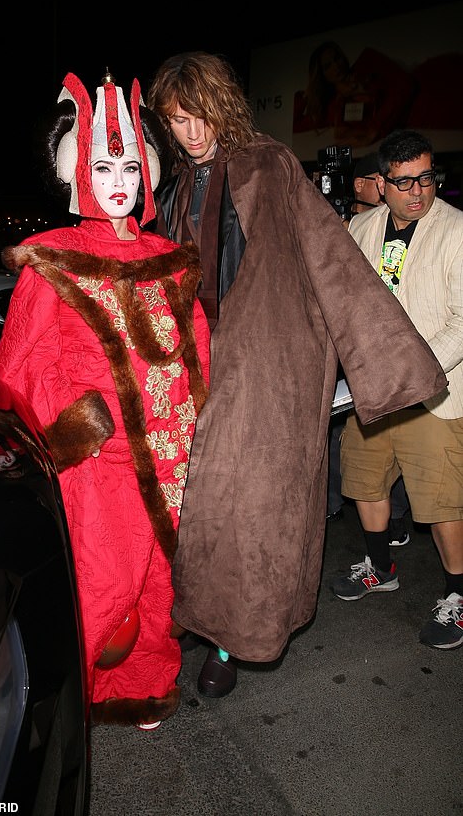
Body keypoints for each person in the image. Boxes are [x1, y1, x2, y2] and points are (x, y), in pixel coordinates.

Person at [147, 51, 446, 698]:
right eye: (176, 119)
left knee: (253, 514)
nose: (191, 130)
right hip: (197, 373)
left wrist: (390, 361)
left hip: (266, 370)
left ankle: (232, 640)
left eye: (197, 113)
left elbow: (334, 259)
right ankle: (195, 617)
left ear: (220, 105)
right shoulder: (174, 188)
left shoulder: (268, 164)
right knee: (196, 511)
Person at [0, 71, 211, 727]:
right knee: (99, 586)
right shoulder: (53, 258)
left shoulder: (169, 256)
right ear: (78, 168)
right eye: (104, 164)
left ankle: (145, 685)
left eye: (131, 165)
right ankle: (66, 699)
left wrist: (200, 417)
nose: (120, 179)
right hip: (99, 463)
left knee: (159, 583)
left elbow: (196, 347)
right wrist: (78, 428)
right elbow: (20, 368)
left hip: (172, 457)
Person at [332, 129, 463, 650]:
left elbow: (461, 319)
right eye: (404, 181)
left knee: (442, 499)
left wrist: (412, 369)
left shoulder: (455, 231)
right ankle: (379, 566)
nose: (418, 191)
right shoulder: (360, 227)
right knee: (365, 478)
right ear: (380, 184)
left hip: (434, 389)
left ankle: (457, 594)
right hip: (371, 389)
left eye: (426, 178)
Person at [326, 152, 411, 546]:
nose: (383, 186)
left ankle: (397, 520)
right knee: (355, 447)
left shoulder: (415, 225)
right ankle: (372, 544)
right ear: (361, 184)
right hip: (357, 360)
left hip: (403, 358)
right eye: (379, 179)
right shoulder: (354, 226)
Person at [292, 41, 416, 147]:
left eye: (337, 58)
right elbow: (294, 124)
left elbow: (405, 84)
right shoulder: (331, 108)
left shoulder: (368, 60)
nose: (336, 66)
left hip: (423, 93)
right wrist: (306, 95)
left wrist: (375, 129)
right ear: (321, 75)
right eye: (327, 66)